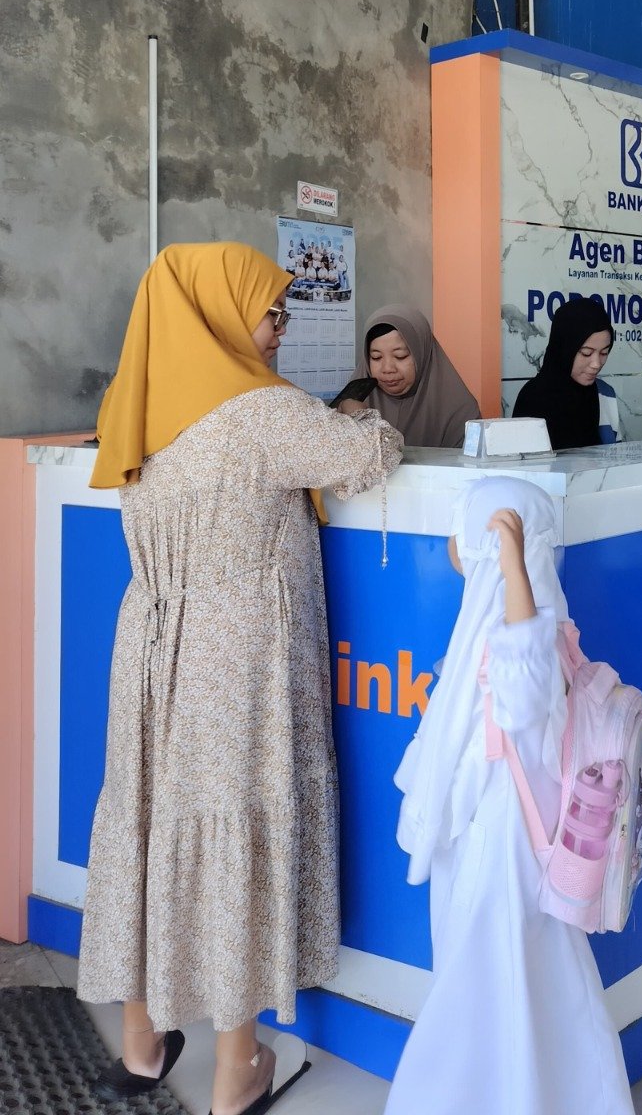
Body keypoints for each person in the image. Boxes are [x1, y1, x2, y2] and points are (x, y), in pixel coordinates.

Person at [78, 243, 404, 1115]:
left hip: (151, 645)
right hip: (237, 654)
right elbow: (372, 456)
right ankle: (237, 1068)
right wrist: (362, 421)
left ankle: (142, 1043)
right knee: (234, 830)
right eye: (270, 309)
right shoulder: (261, 412)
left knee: (151, 824)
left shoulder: (133, 404)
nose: (281, 326)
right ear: (216, 310)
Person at [384, 478, 634, 1115]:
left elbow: (521, 689)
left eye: (466, 535)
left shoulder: (525, 639)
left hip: (501, 844)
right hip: (492, 835)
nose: (453, 545)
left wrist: (513, 568)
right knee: (524, 975)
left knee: (492, 977)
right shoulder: (506, 632)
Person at [332, 305, 480, 449]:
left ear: (421, 354)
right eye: (376, 357)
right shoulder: (352, 403)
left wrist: (365, 422)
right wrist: (353, 420)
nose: (387, 368)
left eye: (400, 356)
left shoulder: (460, 411)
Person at [512, 298, 620, 449]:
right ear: (564, 350)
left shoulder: (605, 393)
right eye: (586, 353)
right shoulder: (533, 399)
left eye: (604, 353)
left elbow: (616, 455)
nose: (596, 364)